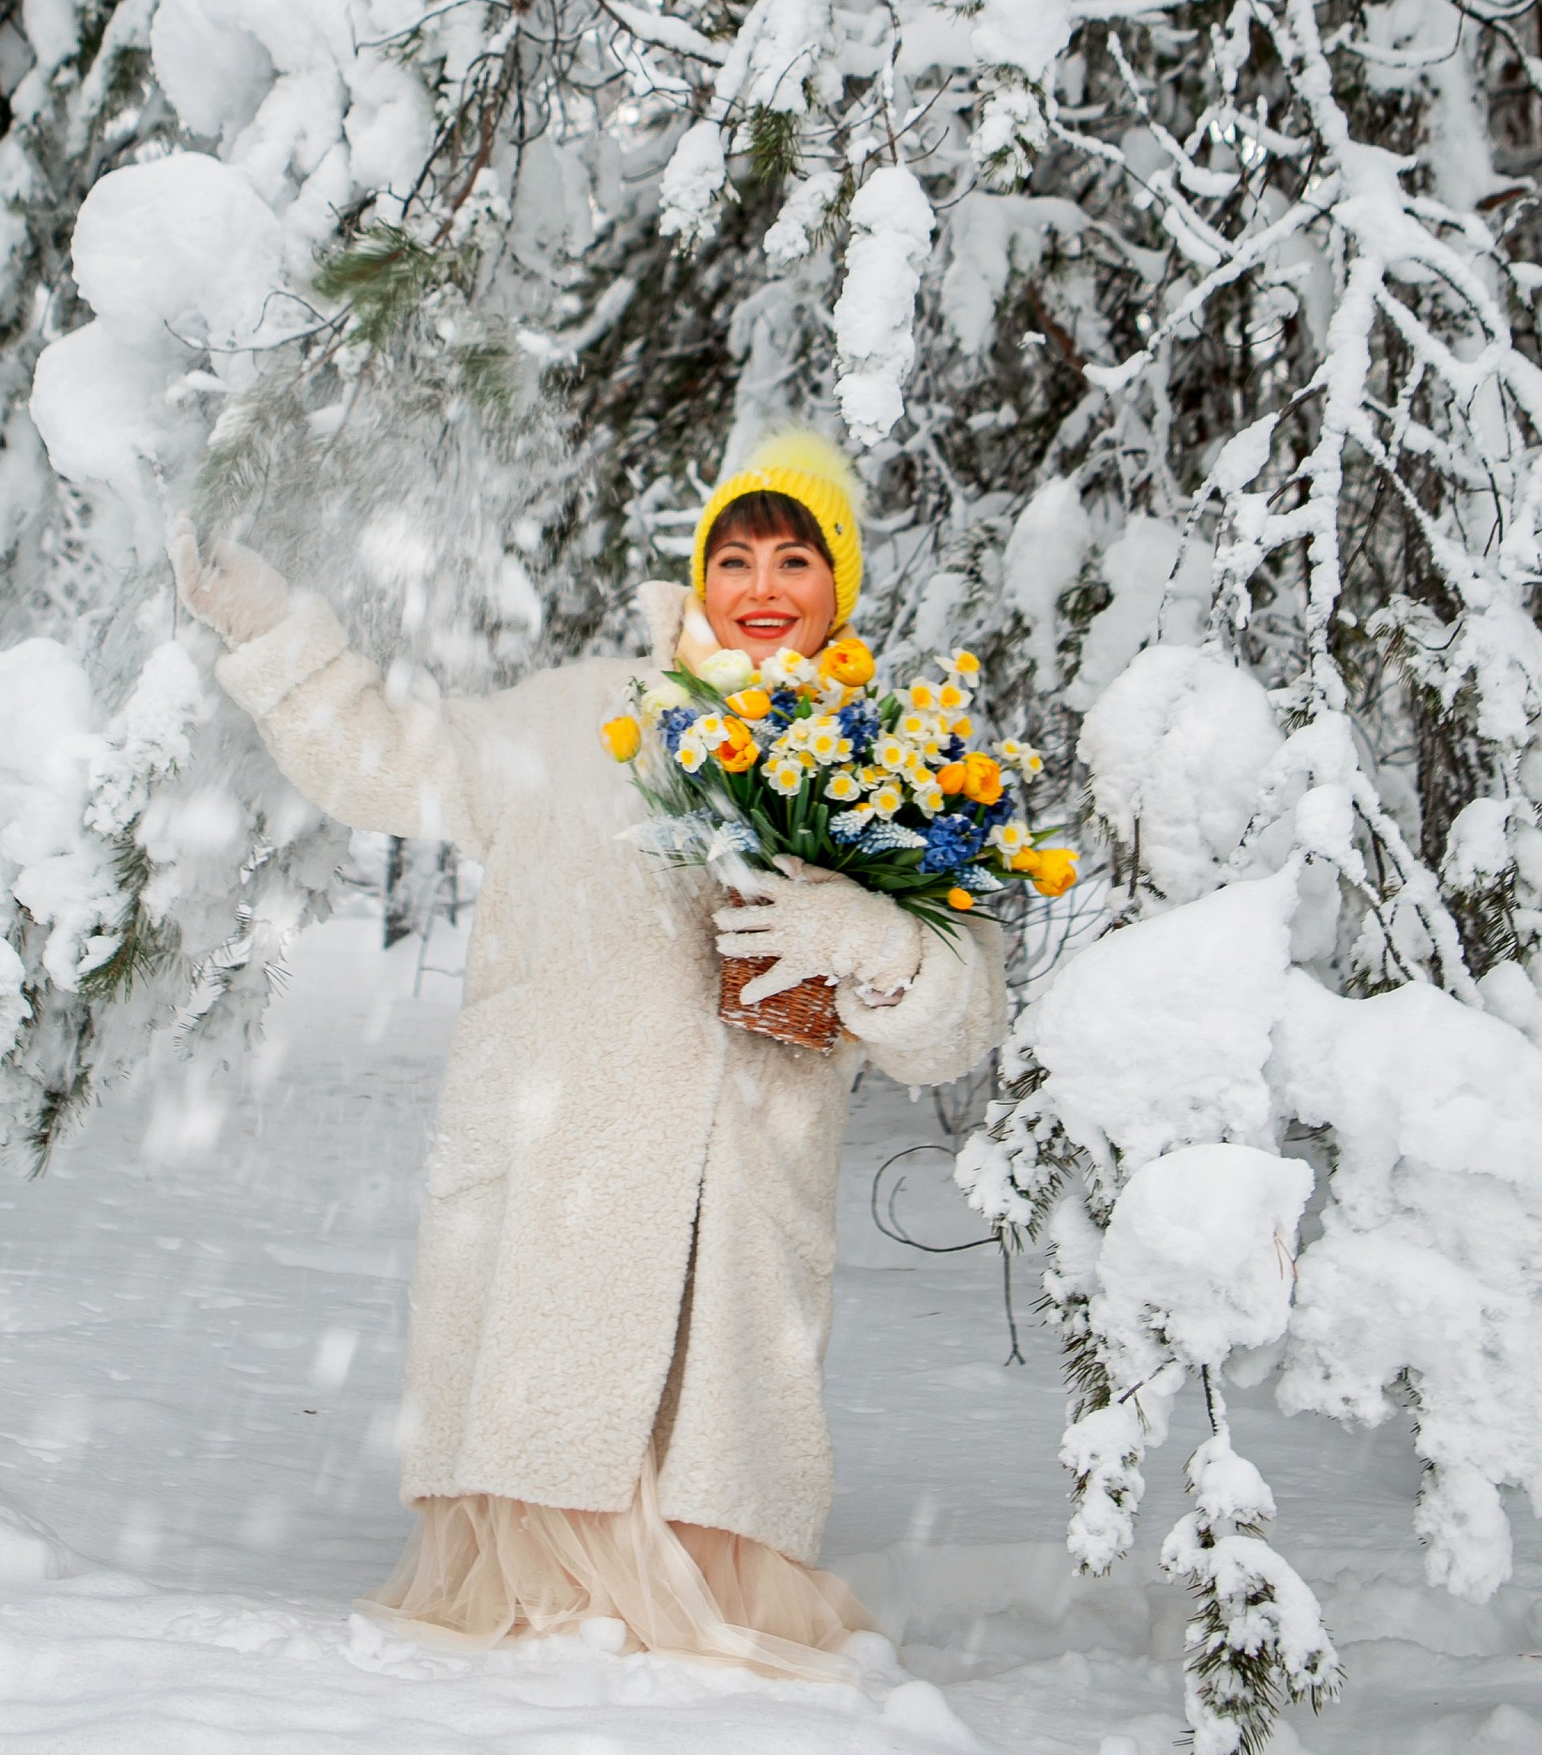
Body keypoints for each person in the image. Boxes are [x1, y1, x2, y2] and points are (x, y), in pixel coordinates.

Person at [169, 425, 1005, 1680]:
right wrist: (274, 629)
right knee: (539, 1544)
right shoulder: (577, 719)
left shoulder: (889, 766)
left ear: (838, 587)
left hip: (735, 1206)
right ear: (699, 574)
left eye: (795, 560)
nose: (762, 587)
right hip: (557, 1173)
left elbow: (958, 1023)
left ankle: (666, 1610)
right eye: (735, 558)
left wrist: (866, 934)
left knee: (705, 1575)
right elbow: (390, 757)